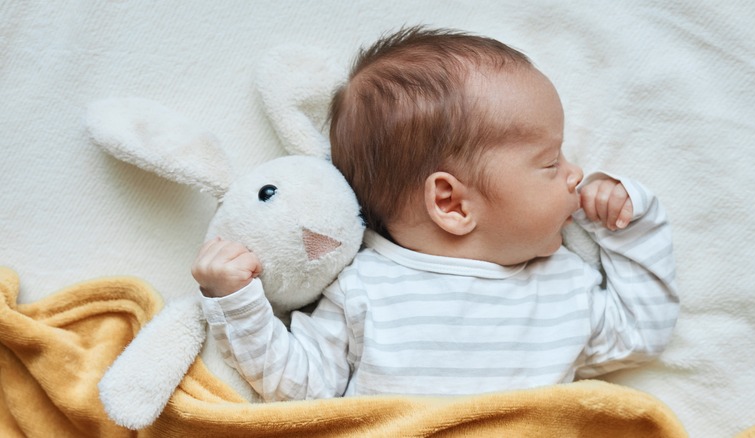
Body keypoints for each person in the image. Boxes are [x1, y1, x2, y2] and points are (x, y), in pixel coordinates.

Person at [192, 27, 679, 402]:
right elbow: (299, 386)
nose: (577, 176)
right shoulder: (365, 291)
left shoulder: (565, 287)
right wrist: (238, 303)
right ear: (451, 203)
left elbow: (643, 330)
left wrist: (628, 223)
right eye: (551, 163)